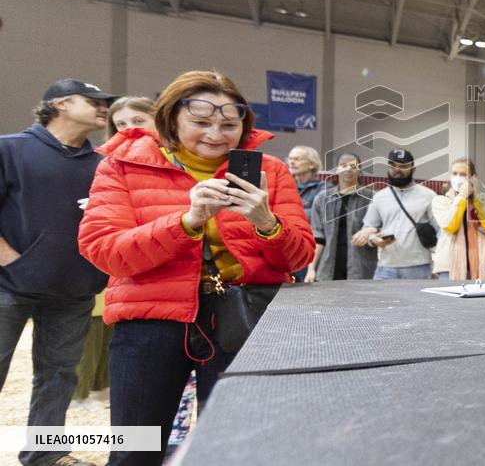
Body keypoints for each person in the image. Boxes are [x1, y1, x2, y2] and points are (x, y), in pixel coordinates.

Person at [78, 70, 314, 466]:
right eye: (201, 123)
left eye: (229, 124)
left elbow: (299, 256)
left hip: (243, 319)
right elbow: (105, 251)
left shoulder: (270, 170)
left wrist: (266, 222)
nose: (216, 134)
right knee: (135, 447)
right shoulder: (122, 165)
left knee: (235, 448)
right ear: (171, 119)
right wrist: (185, 222)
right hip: (150, 323)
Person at [0, 78, 117, 466]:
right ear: (61, 104)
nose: (104, 108)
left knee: (59, 376)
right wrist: (10, 260)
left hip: (75, 289)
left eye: (106, 103)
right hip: (10, 286)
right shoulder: (10, 148)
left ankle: (44, 455)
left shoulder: (102, 165)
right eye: (94, 100)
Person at [73, 96, 157, 408]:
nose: (129, 129)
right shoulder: (109, 167)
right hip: (121, 274)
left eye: (138, 121)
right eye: (120, 124)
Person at [351, 149, 437, 279]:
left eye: (403, 166)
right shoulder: (379, 197)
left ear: (413, 169)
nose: (397, 169)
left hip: (419, 267)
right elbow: (368, 229)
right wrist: (374, 240)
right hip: (386, 268)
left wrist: (438, 266)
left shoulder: (428, 196)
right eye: (393, 165)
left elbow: (440, 231)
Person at [306, 152, 377, 281]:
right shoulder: (322, 199)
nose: (348, 169)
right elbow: (318, 237)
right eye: (344, 165)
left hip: (362, 267)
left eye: (353, 166)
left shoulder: (372, 198)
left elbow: (379, 230)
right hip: (328, 267)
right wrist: (311, 269)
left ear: (359, 170)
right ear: (336, 169)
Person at [431, 158, 485, 280]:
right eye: (454, 174)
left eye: (463, 174)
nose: (458, 178)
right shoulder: (441, 200)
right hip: (449, 268)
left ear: (473, 177)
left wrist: (476, 200)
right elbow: (450, 226)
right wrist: (462, 196)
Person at [286, 146, 324, 282]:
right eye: (290, 159)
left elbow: (321, 229)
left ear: (312, 164)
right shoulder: (284, 188)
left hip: (309, 253)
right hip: (286, 250)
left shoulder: (324, 191)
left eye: (297, 159)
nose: (291, 162)